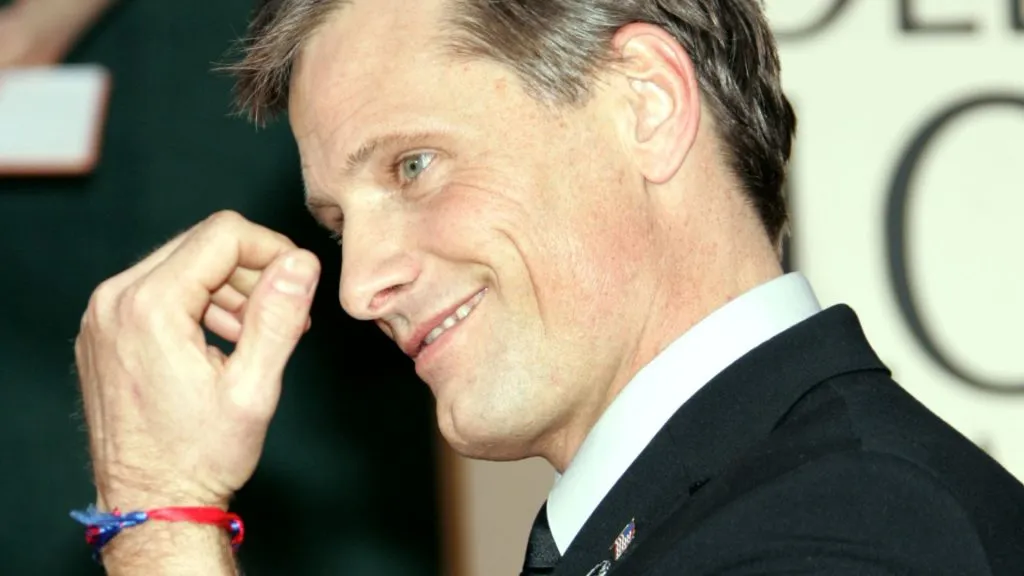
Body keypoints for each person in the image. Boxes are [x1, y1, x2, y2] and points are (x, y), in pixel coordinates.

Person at [72, 0, 1024, 574]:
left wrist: (162, 512)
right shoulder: (750, 501)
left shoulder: (847, 525)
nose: (359, 287)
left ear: (645, 103)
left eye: (412, 166)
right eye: (337, 226)